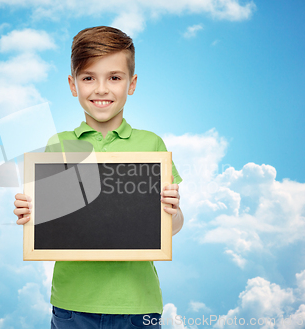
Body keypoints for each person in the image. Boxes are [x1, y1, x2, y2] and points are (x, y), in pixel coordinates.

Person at [14, 26, 183, 329]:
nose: (101, 89)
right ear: (73, 84)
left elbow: (173, 225)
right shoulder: (59, 144)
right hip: (72, 303)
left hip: (136, 302)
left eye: (114, 78)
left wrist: (172, 212)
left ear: (131, 84)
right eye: (89, 77)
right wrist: (30, 213)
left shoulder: (152, 145)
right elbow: (50, 222)